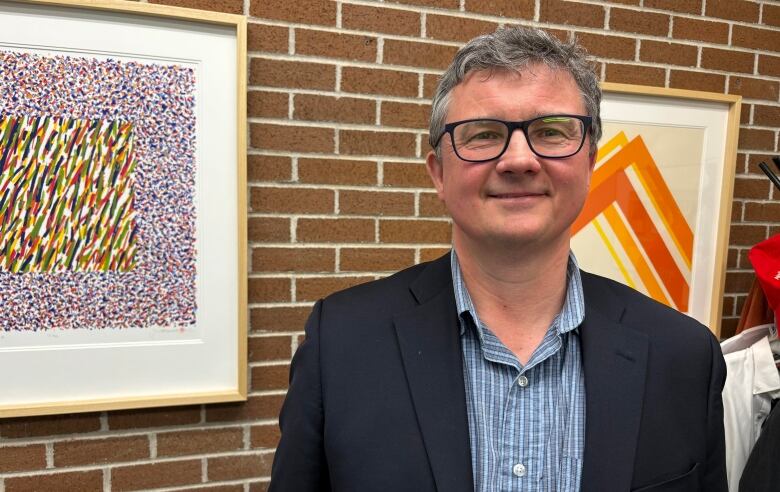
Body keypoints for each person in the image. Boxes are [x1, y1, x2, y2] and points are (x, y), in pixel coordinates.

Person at [269, 26, 727, 492]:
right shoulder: (342, 343)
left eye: (550, 132)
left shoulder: (686, 357)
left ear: (590, 163)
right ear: (439, 174)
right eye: (484, 135)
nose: (519, 159)